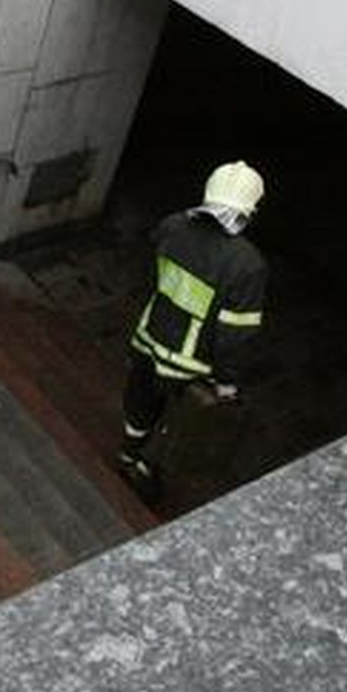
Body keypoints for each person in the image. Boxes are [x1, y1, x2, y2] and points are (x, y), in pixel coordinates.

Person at [117, 161, 268, 494]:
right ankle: (149, 472)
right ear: (250, 210)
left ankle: (128, 453)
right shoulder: (247, 265)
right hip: (189, 364)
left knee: (139, 401)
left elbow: (153, 276)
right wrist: (227, 382)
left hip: (149, 337)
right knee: (180, 421)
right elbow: (234, 336)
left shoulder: (172, 226)